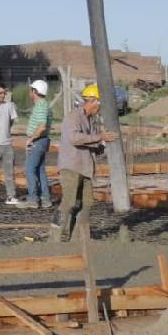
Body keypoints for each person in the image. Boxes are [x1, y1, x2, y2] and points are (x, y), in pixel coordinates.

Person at [55, 84, 117, 242]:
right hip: (71, 167)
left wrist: (103, 146)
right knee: (69, 202)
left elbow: (90, 145)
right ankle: (55, 237)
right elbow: (75, 139)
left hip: (86, 169)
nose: (99, 108)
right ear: (92, 101)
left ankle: (79, 239)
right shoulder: (73, 116)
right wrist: (99, 137)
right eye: (99, 104)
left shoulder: (91, 121)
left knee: (87, 203)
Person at [23, 79, 54, 209]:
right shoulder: (44, 104)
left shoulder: (41, 105)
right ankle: (45, 198)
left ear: (34, 91)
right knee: (40, 170)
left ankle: (33, 198)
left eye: (31, 90)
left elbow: (42, 126)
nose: (30, 92)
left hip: (38, 141)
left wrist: (31, 138)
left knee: (29, 169)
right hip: (42, 141)